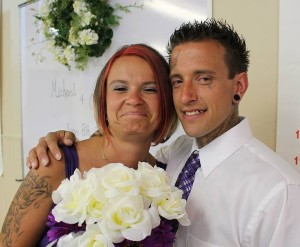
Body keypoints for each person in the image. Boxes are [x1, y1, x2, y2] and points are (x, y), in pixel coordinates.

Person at [24, 19, 300, 246]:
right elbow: (126, 146)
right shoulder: (177, 152)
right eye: (177, 81)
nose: (187, 96)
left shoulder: (278, 191)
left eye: (204, 79)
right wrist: (64, 142)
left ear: (239, 86)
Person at [0, 43, 177, 247]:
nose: (134, 99)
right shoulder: (56, 161)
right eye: (120, 88)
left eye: (150, 89)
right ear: (103, 102)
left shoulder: (168, 180)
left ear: (166, 103)